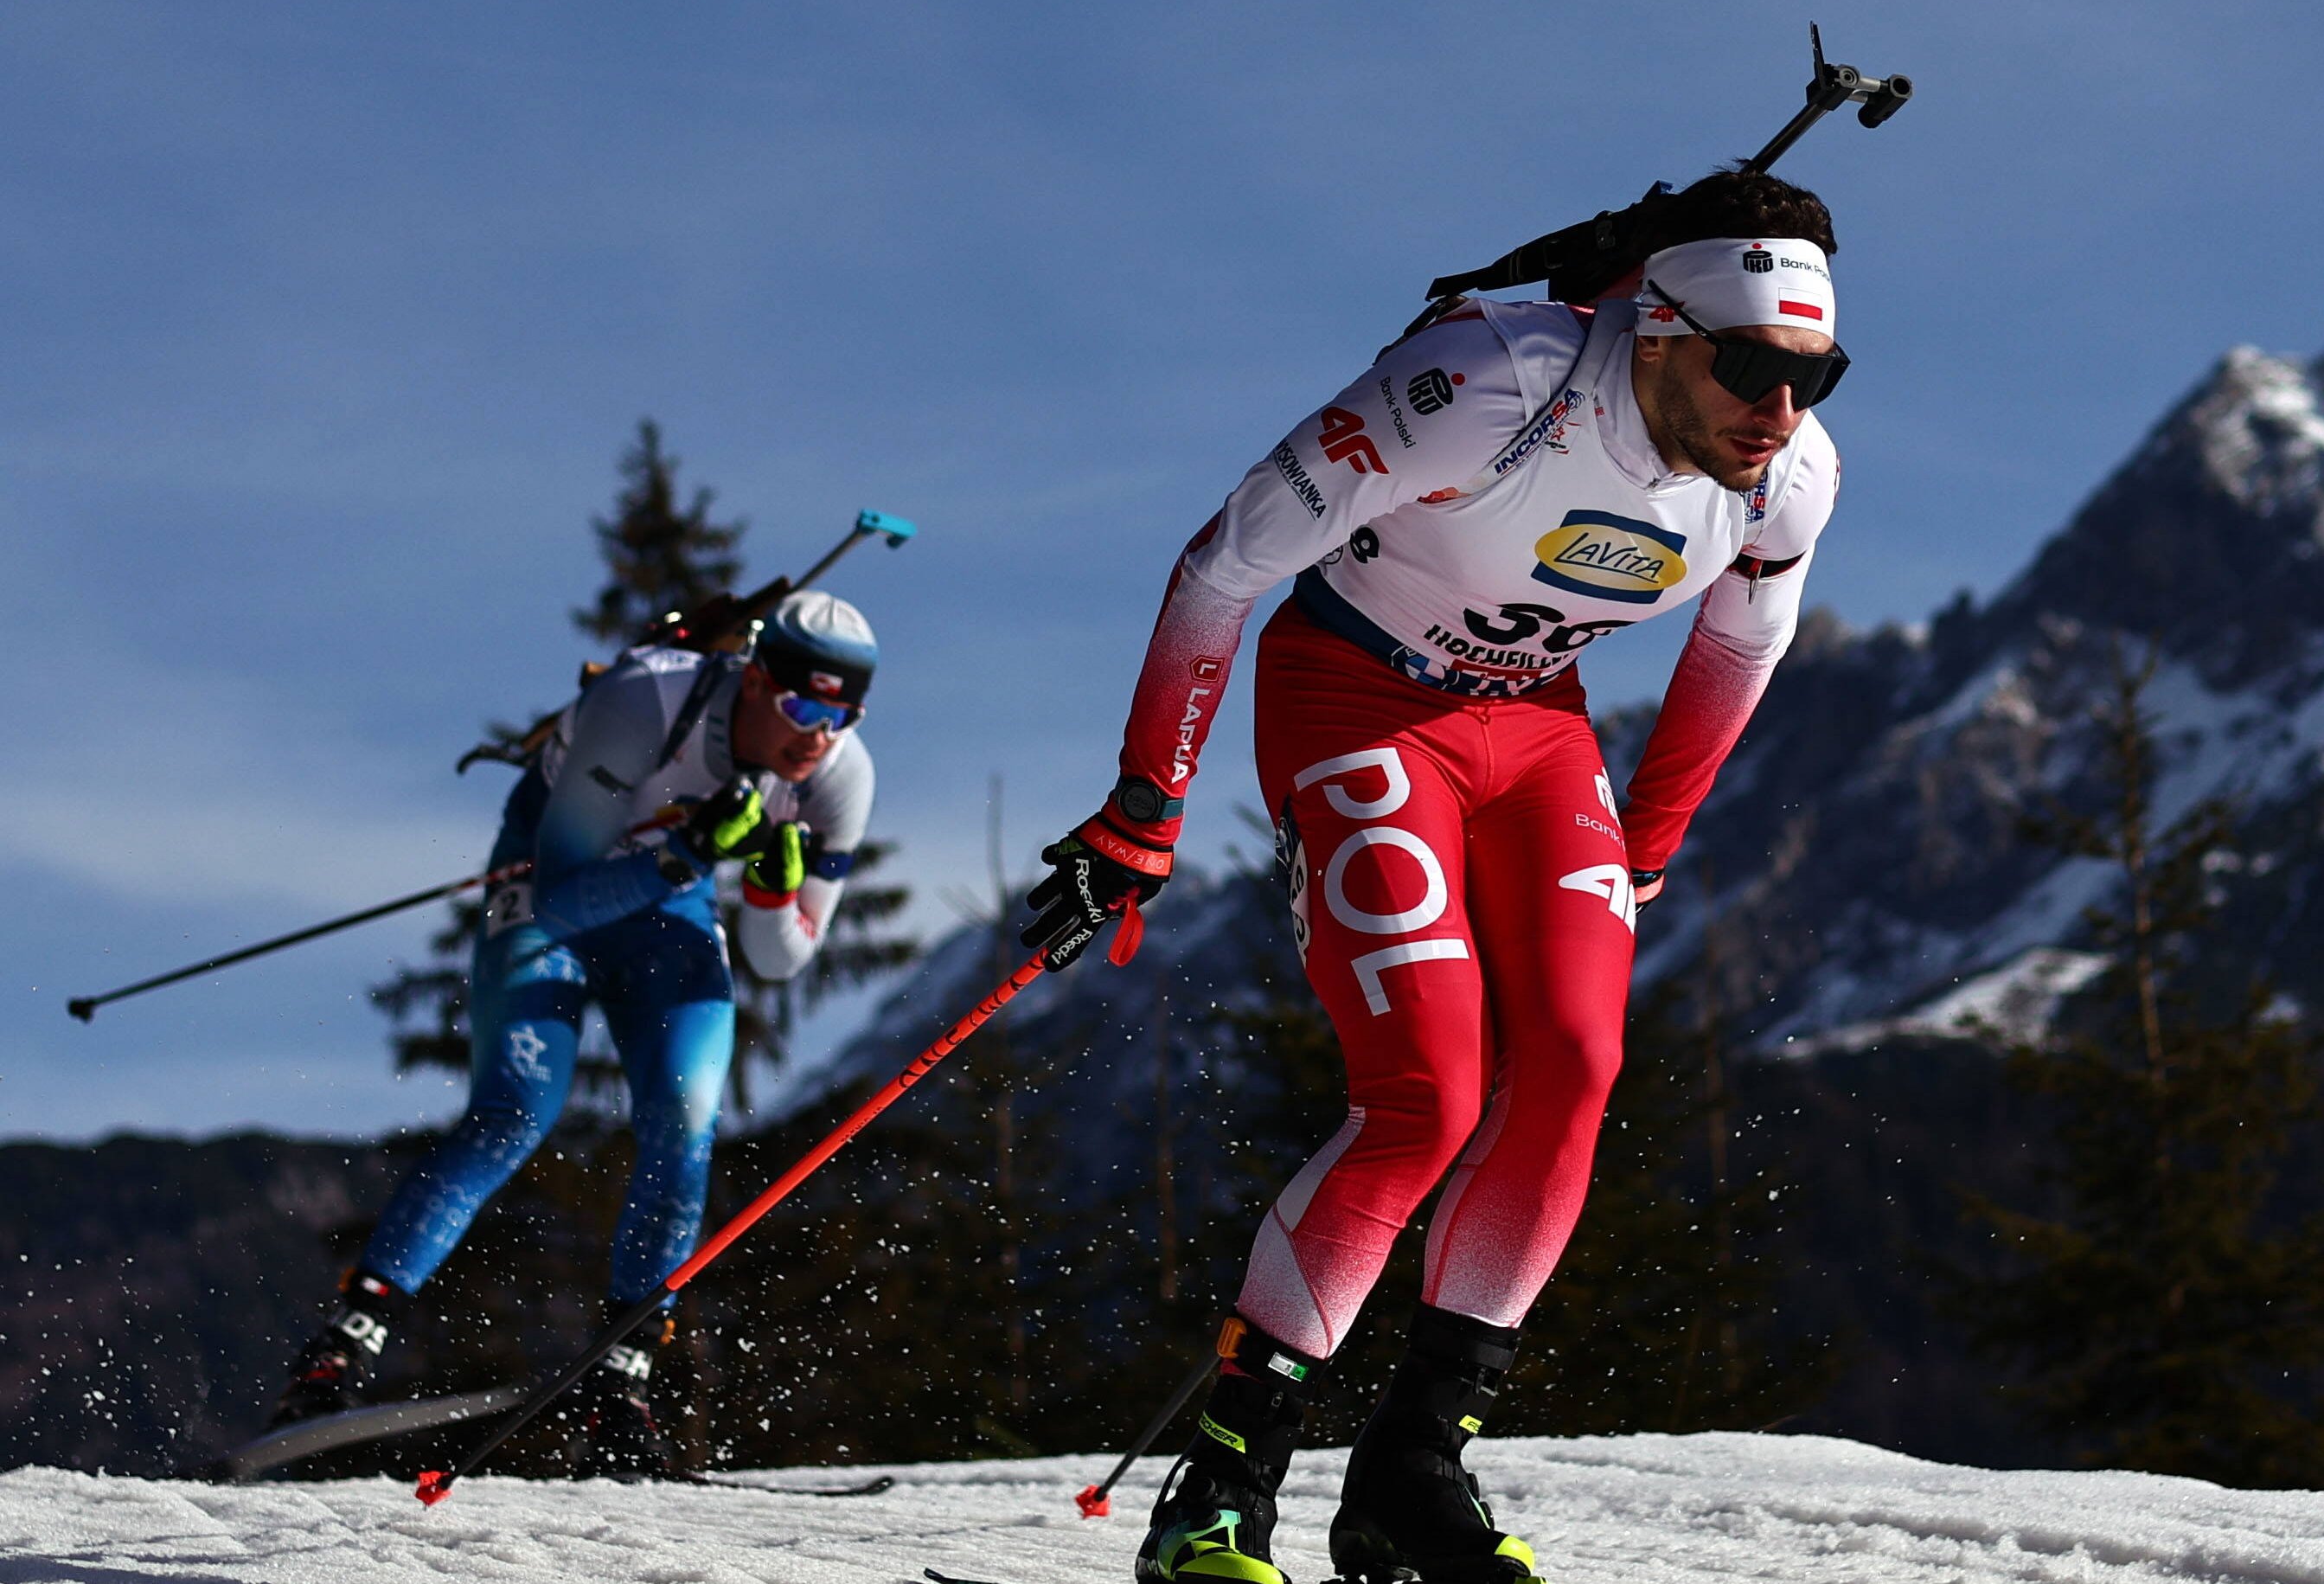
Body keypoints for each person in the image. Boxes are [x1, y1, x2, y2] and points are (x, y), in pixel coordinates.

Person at [1028, 171, 1845, 1584]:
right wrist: (1144, 809)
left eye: (1814, 375)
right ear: (1654, 331)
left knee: (1581, 1062)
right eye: (1751, 368)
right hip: (1356, 695)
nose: (1779, 411)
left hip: (1533, 732)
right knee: (1427, 1092)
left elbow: (1736, 652)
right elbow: (1223, 565)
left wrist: (1647, 842)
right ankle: (1220, 1493)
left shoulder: (1789, 474)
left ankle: (1413, 1472)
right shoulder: (1487, 385)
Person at [261, 590, 884, 1477]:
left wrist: (776, 890)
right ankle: (344, 1342)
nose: (820, 733)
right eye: (803, 704)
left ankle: (621, 1373)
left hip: (668, 902)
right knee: (516, 1110)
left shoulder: (837, 778)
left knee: (684, 1110)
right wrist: (685, 852)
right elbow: (561, 895)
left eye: (844, 711)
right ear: (753, 678)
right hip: (557, 879)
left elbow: (777, 959)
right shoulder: (648, 700)